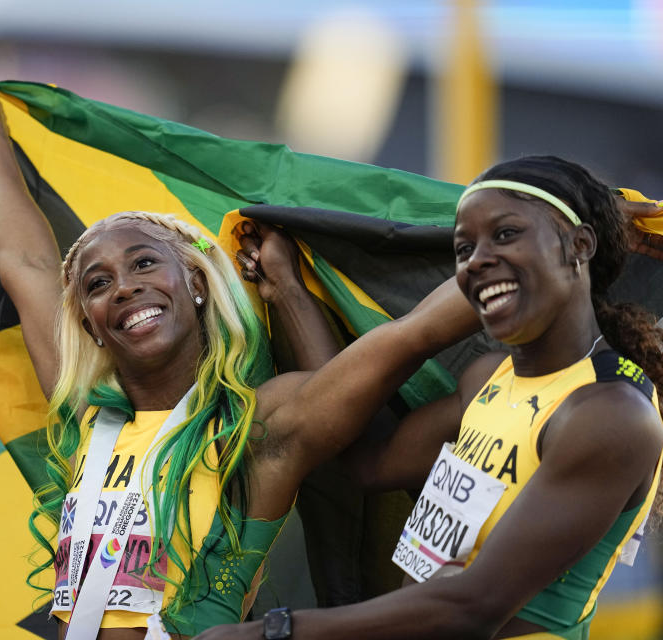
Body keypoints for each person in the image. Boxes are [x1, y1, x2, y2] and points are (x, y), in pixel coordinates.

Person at [0, 92, 481, 639]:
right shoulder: (88, 418)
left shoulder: (255, 428)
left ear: (196, 284)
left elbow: (410, 335)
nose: (126, 287)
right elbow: (26, 263)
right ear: (89, 324)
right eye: (98, 284)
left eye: (145, 263)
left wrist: (290, 291)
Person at [195, 156, 663, 640]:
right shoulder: (489, 379)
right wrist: (291, 290)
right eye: (463, 248)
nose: (477, 260)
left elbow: (476, 606)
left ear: (579, 244)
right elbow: (364, 459)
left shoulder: (609, 415)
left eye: (505, 235)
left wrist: (272, 632)